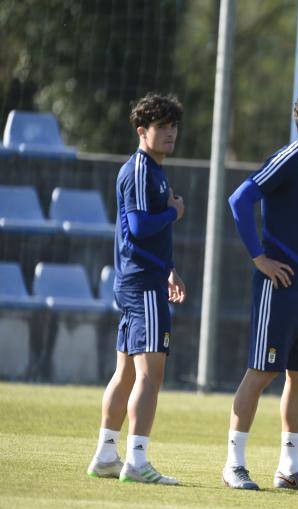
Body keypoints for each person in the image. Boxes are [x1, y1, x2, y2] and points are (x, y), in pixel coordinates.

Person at [221, 87, 298, 492]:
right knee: (262, 371)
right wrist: (259, 257)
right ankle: (234, 465)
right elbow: (240, 200)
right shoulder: (289, 158)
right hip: (280, 286)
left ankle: (289, 469)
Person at [86, 93, 186, 484]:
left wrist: (170, 270)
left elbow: (140, 234)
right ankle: (137, 461)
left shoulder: (152, 170)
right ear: (142, 131)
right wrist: (174, 211)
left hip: (141, 279)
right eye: (161, 127)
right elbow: (142, 226)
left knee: (125, 372)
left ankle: (106, 455)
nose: (169, 133)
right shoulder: (142, 170)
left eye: (173, 126)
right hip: (142, 284)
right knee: (151, 374)